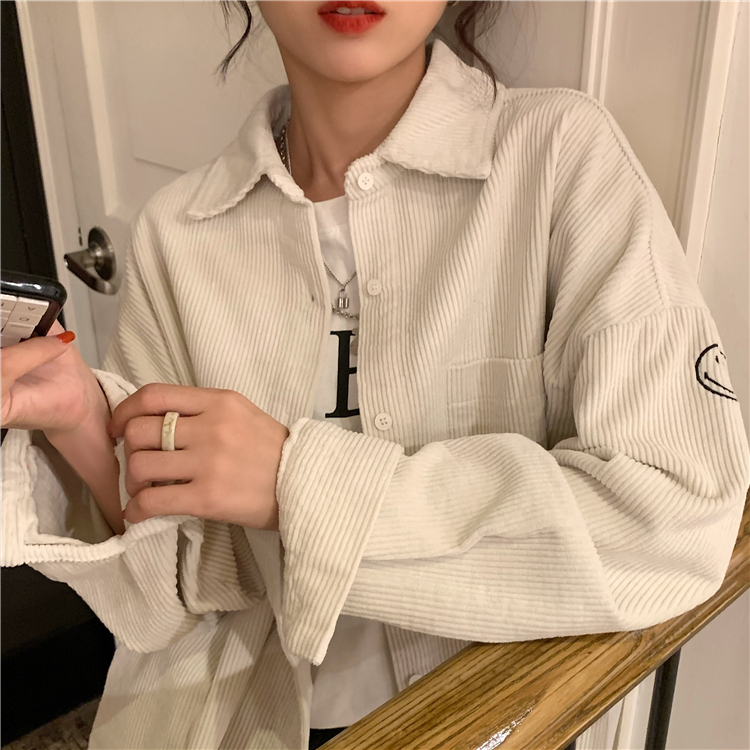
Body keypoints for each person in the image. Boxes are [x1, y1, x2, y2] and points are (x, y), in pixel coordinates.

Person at [1, 2, 748, 749]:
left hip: (488, 723)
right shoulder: (178, 230)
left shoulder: (558, 159)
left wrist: (295, 484)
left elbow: (675, 519)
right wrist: (83, 424)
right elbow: (178, 596)